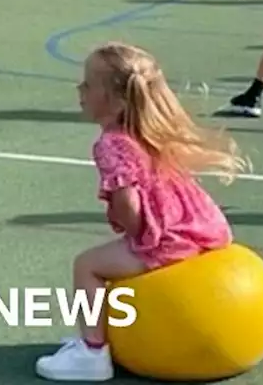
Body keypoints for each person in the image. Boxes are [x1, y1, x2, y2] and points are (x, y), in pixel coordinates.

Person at [35, 42, 249, 382]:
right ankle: (100, 334)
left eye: (88, 84)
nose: (80, 90)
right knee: (110, 259)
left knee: (88, 266)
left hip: (170, 240)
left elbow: (128, 203)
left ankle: (92, 353)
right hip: (205, 229)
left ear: (116, 100)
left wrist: (136, 235)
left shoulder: (112, 144)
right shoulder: (146, 133)